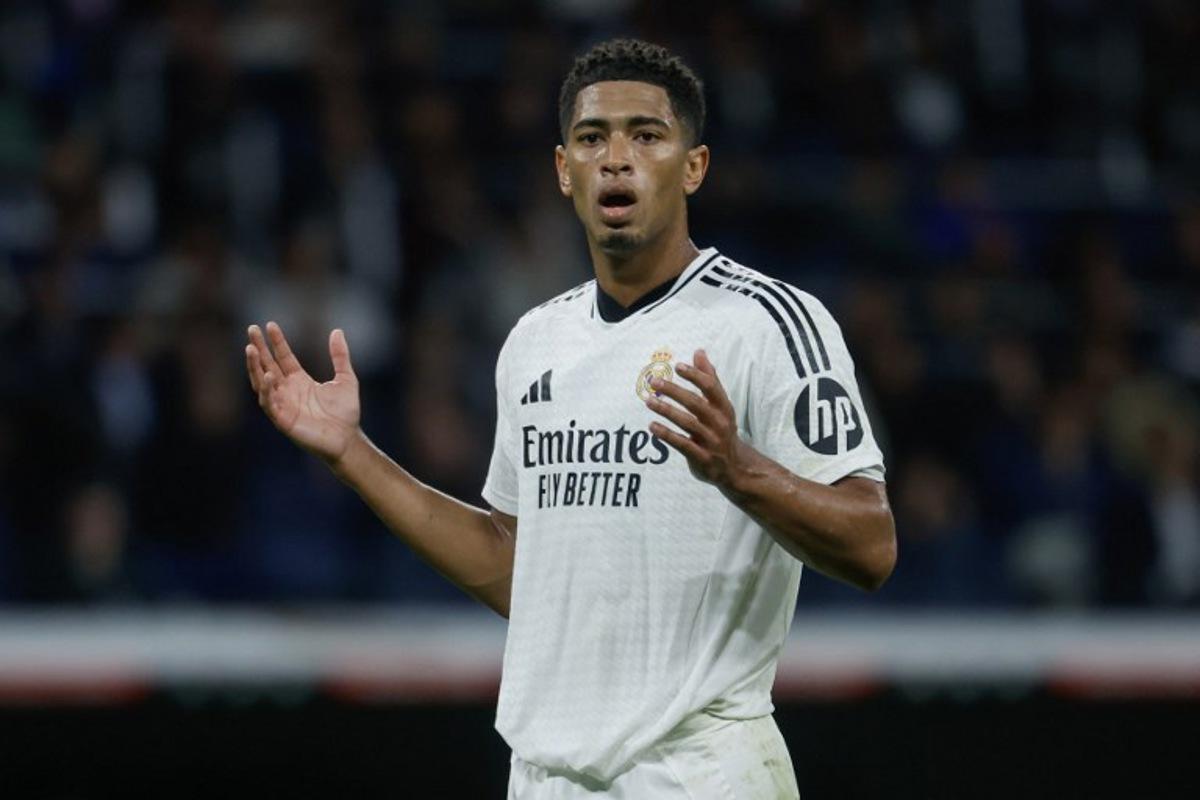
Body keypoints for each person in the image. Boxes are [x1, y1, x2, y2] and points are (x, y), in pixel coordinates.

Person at [245, 38, 895, 799]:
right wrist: (351, 453)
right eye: (592, 138)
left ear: (694, 166)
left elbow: (871, 543)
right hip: (549, 778)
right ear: (564, 170)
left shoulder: (766, 322)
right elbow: (522, 574)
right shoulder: (534, 343)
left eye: (646, 135)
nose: (616, 158)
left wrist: (737, 467)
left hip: (701, 771)